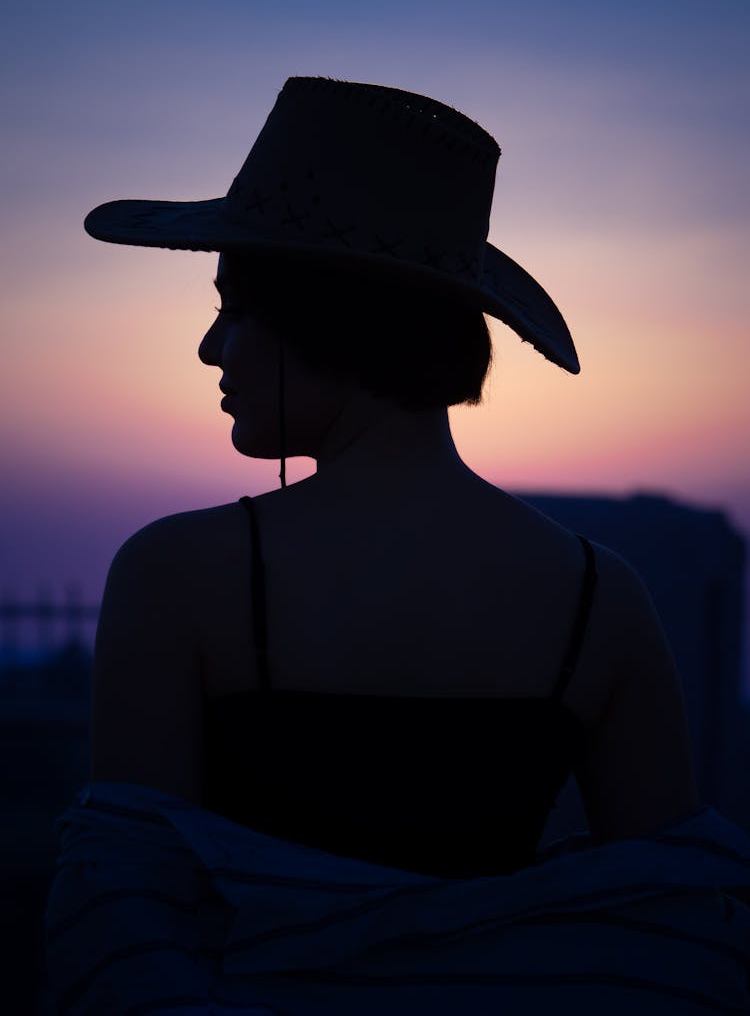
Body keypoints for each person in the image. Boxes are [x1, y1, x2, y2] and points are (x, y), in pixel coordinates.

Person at [44, 78, 749, 1014]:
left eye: (235, 308)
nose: (213, 348)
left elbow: (123, 935)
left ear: (319, 318)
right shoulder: (600, 596)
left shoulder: (177, 575)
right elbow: (678, 932)